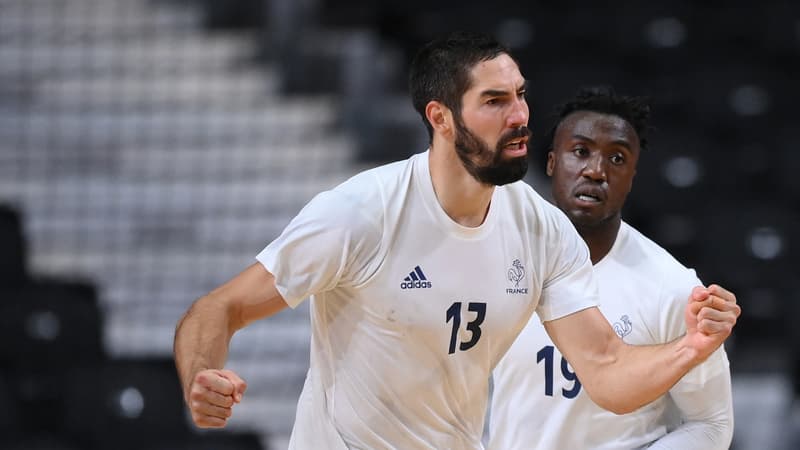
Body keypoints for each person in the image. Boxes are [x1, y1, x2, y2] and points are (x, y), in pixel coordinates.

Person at [173, 32, 740, 450]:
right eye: (495, 101)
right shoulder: (362, 213)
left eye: (520, 95)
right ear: (441, 118)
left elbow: (607, 371)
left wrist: (691, 346)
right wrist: (203, 377)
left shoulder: (540, 229)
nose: (520, 115)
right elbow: (218, 309)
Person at [489, 87, 734, 450]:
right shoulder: (496, 262)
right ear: (552, 164)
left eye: (617, 159)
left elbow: (711, 423)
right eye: (580, 151)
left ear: (632, 178)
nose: (596, 170)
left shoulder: (673, 286)